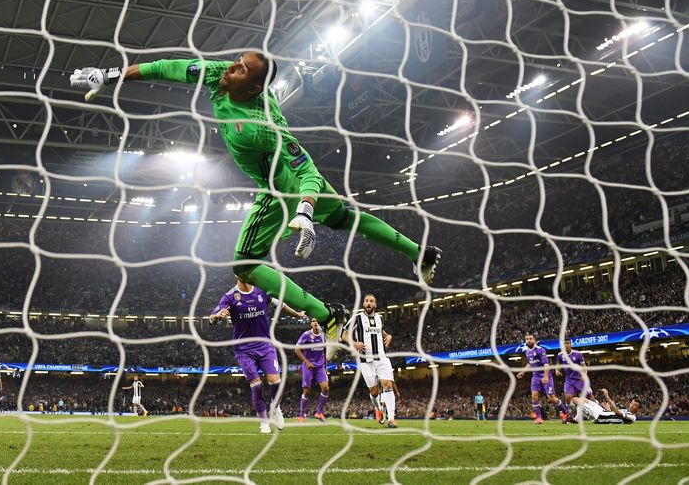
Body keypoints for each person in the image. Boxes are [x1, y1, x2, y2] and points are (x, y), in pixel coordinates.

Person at [70, 54, 442, 336]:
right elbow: (167, 67)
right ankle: (420, 252)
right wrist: (112, 76)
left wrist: (305, 209)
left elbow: (305, 167)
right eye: (236, 62)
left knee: (244, 266)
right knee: (345, 218)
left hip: (279, 189)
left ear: (253, 89)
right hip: (293, 189)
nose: (232, 68)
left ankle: (327, 316)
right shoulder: (218, 75)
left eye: (242, 70)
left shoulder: (262, 125)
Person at [210, 276, 306, 433]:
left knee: (275, 381)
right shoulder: (229, 297)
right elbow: (212, 318)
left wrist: (297, 314)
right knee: (256, 385)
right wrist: (217, 316)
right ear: (237, 274)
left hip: (265, 345)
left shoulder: (262, 290)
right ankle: (264, 422)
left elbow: (280, 304)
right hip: (243, 349)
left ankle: (275, 409)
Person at [343, 294, 397, 427]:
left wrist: (388, 336)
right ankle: (378, 409)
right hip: (365, 361)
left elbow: (381, 332)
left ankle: (391, 419)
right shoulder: (357, 318)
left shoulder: (380, 318)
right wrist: (354, 343)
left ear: (375, 305)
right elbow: (344, 334)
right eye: (366, 301)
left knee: (387, 384)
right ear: (363, 304)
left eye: (371, 301)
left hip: (381, 358)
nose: (369, 303)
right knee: (374, 392)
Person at [515, 334, 569, 424]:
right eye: (527, 339)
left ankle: (566, 413)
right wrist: (523, 372)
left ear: (534, 340)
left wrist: (545, 376)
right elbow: (529, 363)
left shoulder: (540, 350)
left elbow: (546, 364)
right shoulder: (527, 352)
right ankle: (539, 418)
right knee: (534, 396)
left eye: (530, 339)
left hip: (545, 375)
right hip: (535, 376)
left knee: (551, 398)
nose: (528, 340)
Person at [296, 319, 329, 422]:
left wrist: (325, 365)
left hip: (320, 366)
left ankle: (319, 412)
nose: (316, 323)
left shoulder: (323, 336)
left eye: (317, 321)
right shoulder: (306, 335)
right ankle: (301, 415)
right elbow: (297, 350)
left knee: (325, 388)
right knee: (307, 391)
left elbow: (325, 350)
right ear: (311, 323)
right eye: (313, 321)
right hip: (308, 366)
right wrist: (306, 362)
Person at [555, 341, 591, 424]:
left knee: (589, 395)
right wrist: (557, 370)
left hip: (579, 379)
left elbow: (583, 366)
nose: (566, 345)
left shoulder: (577, 354)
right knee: (568, 397)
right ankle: (570, 415)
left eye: (568, 343)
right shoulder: (560, 355)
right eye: (564, 344)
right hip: (569, 380)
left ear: (571, 344)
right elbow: (558, 364)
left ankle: (599, 410)